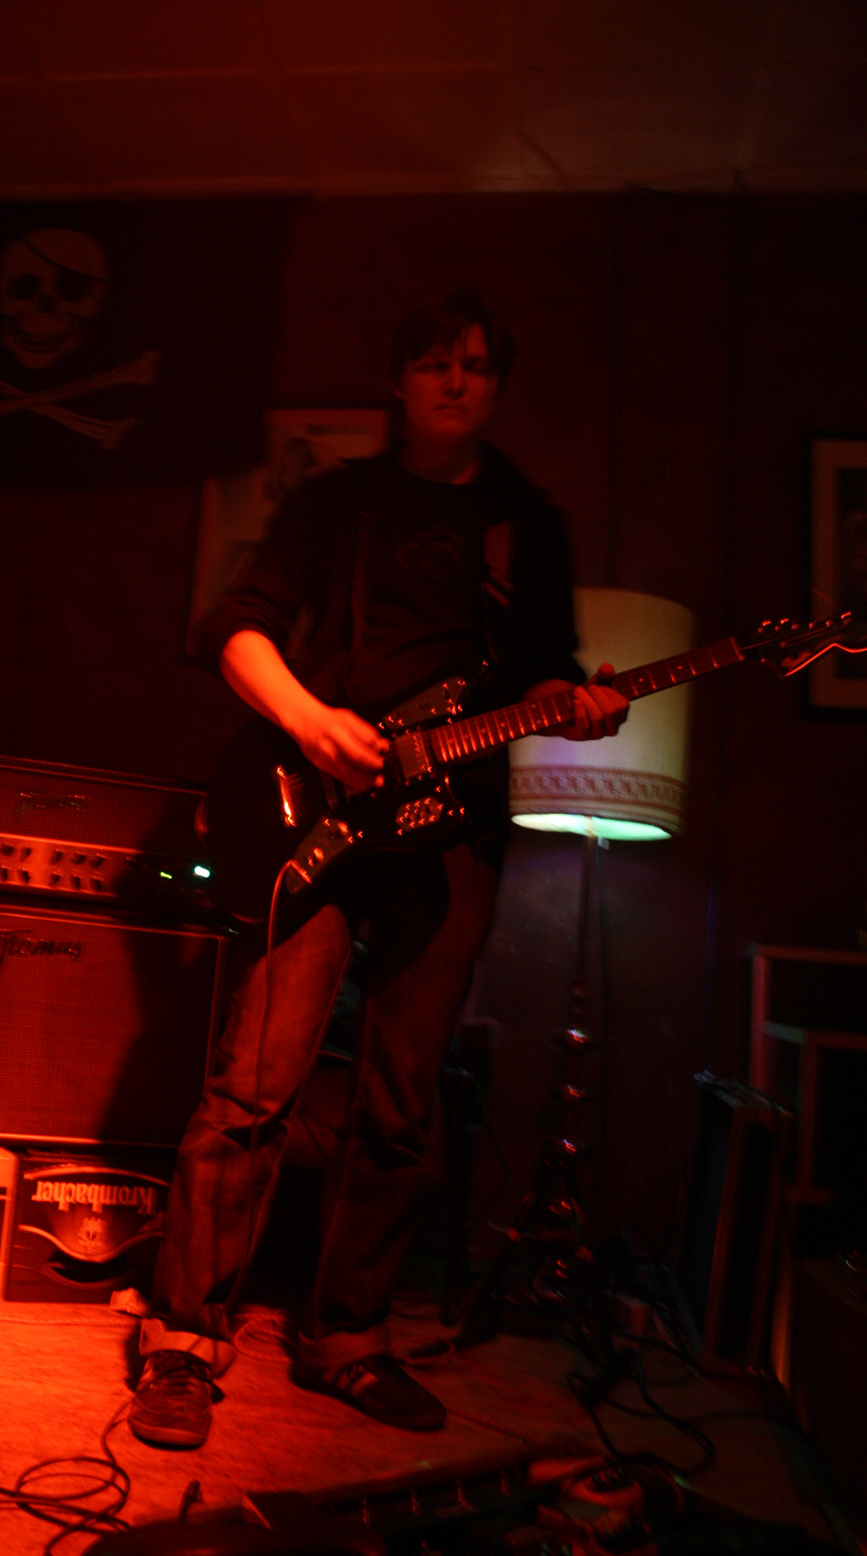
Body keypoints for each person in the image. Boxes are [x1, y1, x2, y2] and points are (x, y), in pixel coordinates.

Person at [130, 290, 629, 1448]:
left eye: (475, 366)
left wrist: (575, 702)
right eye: (434, 362)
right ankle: (183, 1338)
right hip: (319, 806)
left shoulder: (524, 524)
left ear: (494, 387)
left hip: (451, 830)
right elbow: (235, 629)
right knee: (252, 1082)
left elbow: (540, 669)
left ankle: (345, 1336)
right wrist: (312, 724)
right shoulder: (336, 502)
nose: (455, 381)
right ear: (397, 381)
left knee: (401, 1101)